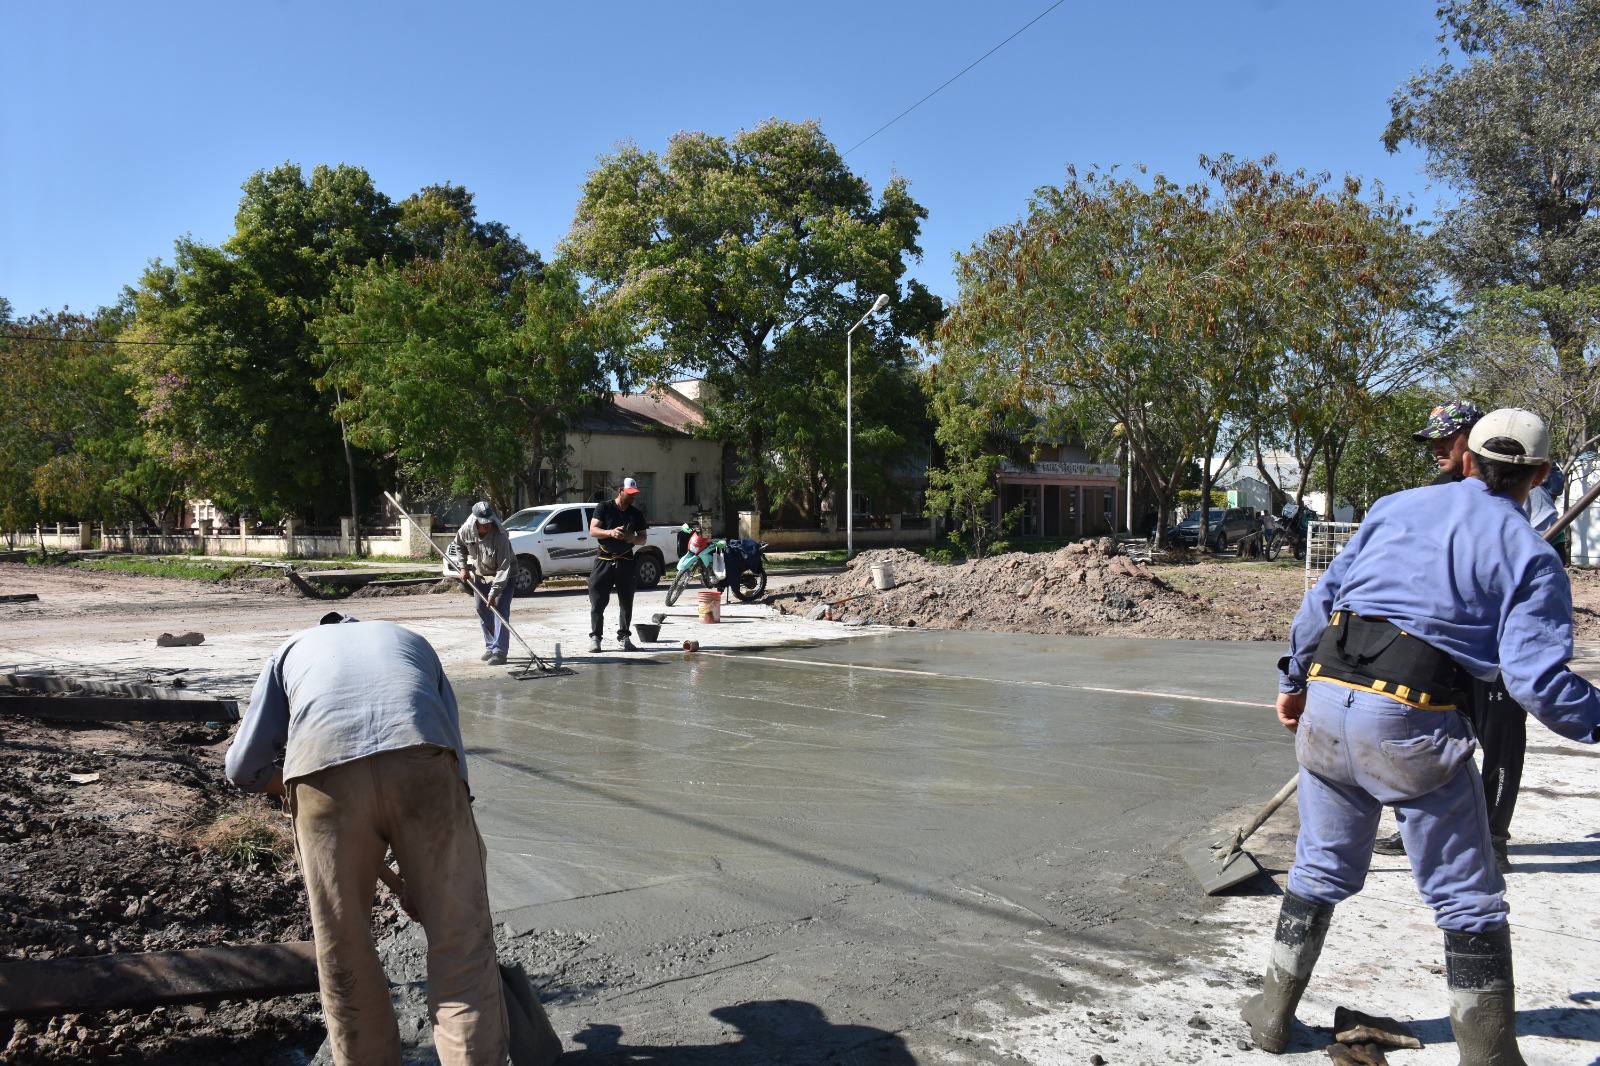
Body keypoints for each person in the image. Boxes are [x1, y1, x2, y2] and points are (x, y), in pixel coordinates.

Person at [1242, 409, 1600, 1062]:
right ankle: (1490, 1056)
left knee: (1319, 867)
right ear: (1541, 474)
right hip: (1411, 720)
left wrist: (1292, 682)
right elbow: (1534, 681)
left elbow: (1322, 602)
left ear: (1468, 458)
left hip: (1326, 701)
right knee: (1470, 901)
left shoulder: (1392, 507)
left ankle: (1271, 1015)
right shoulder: (1531, 555)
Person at [224, 614, 507, 1066]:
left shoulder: (291, 650)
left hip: (321, 771)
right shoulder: (412, 641)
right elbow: (453, 757)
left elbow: (241, 769)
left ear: (323, 627)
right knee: (461, 946)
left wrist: (295, 789)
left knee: (345, 952)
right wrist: (434, 872)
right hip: (424, 767)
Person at [1382, 400, 1531, 872]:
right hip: (1444, 644)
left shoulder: (1511, 487)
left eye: (1448, 438)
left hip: (1495, 644)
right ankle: (1424, 829)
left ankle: (1494, 835)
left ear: (1476, 438)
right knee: (1434, 738)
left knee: (1501, 742)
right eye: (1433, 440)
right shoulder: (1434, 492)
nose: (1438, 448)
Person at [588, 477, 647, 653]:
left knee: (626, 601)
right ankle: (596, 638)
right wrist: (610, 532)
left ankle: (624, 637)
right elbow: (593, 530)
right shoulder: (604, 507)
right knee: (598, 601)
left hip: (626, 561)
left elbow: (643, 539)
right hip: (604, 560)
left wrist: (631, 538)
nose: (632, 497)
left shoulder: (636, 514)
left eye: (634, 494)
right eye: (629, 494)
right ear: (620, 491)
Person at [453, 501, 515, 666]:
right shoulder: (466, 530)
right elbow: (459, 546)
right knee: (482, 609)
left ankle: (500, 652)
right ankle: (491, 646)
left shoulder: (500, 535)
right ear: (475, 519)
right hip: (480, 574)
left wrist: (494, 592)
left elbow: (504, 568)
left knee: (500, 611)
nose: (487, 525)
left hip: (504, 576)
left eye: (489, 521)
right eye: (483, 522)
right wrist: (463, 567)